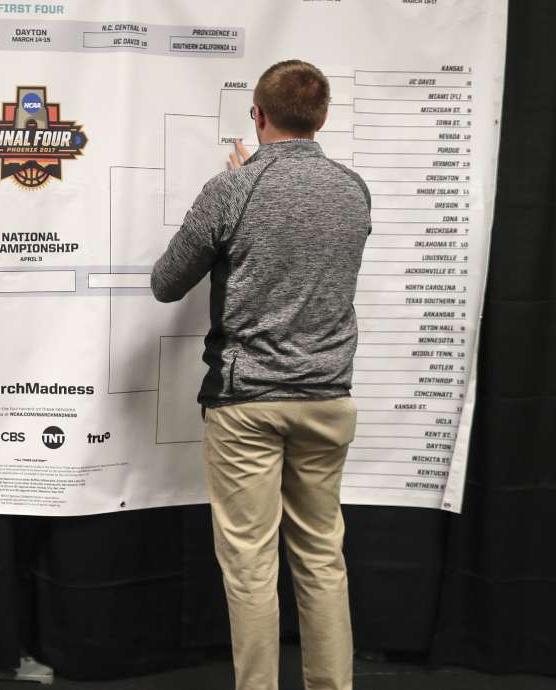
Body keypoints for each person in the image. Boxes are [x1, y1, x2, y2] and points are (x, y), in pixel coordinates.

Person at [151, 60, 371, 690]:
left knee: (250, 565)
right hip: (328, 398)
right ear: (322, 118)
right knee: (323, 557)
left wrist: (241, 185)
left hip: (246, 401)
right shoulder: (352, 187)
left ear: (259, 114)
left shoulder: (234, 190)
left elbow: (167, 284)